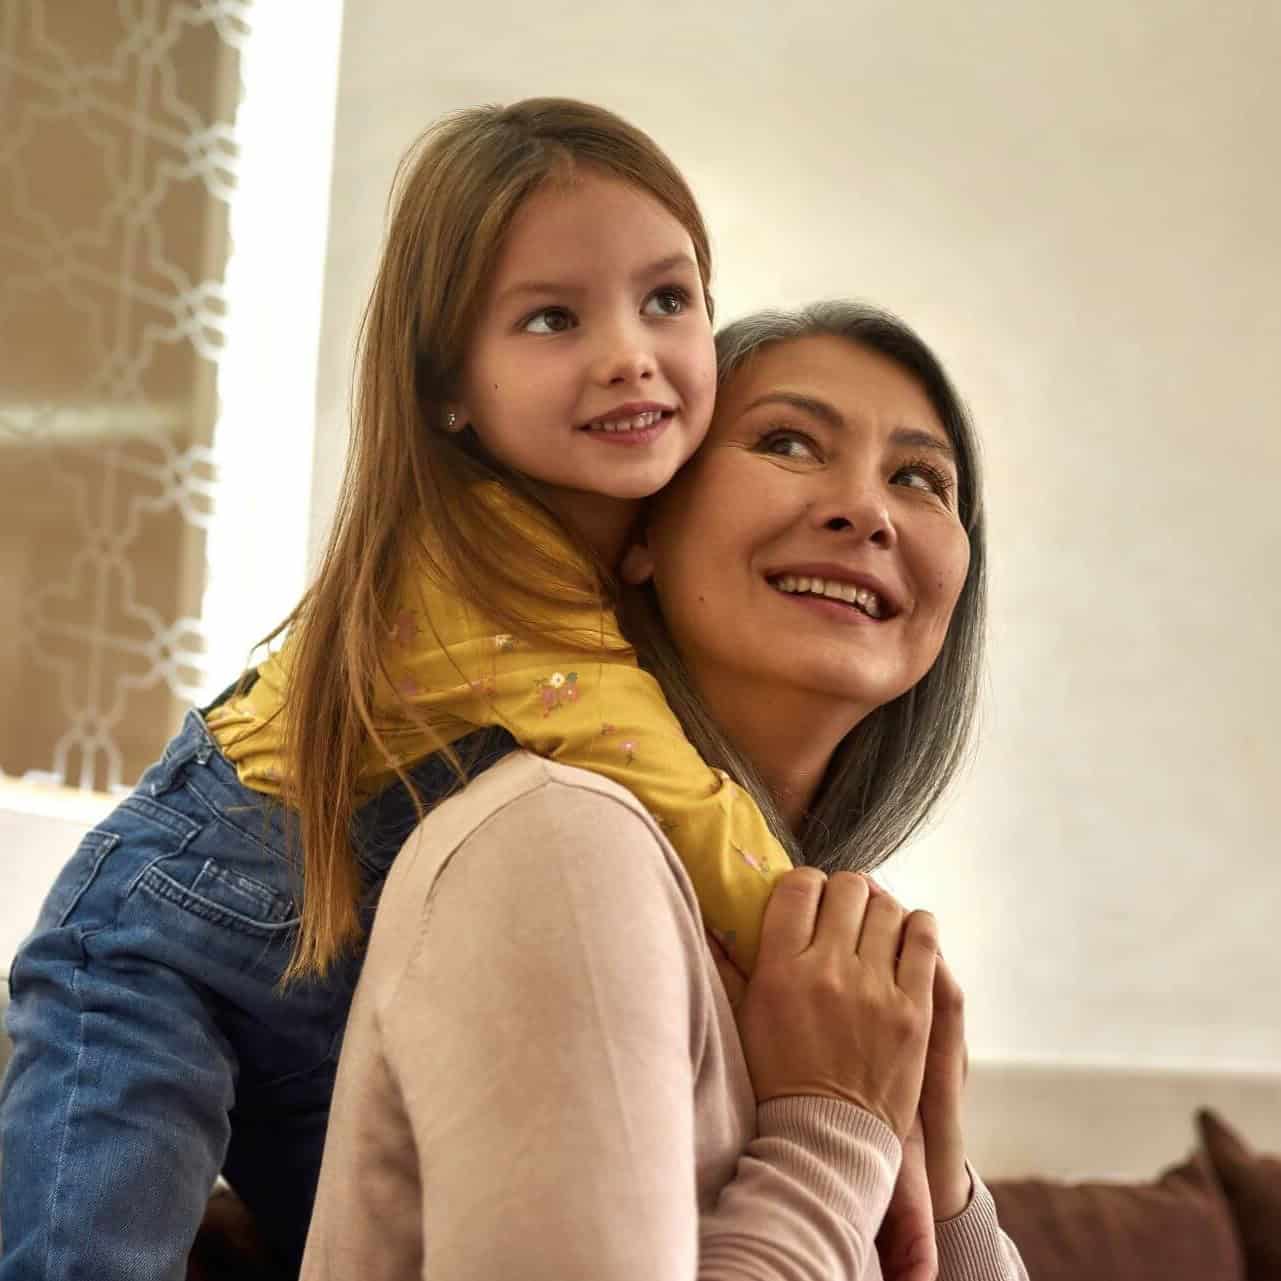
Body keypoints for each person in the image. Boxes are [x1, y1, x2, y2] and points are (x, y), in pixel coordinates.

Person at [2, 97, 839, 1279]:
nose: (629, 351)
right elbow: (673, 787)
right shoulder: (475, 571)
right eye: (553, 317)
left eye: (669, 298)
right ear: (450, 387)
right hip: (165, 936)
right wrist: (836, 958)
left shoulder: (620, 549)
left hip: (333, 982)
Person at [298, 302, 1026, 1279]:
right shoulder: (559, 845)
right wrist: (835, 1132)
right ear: (639, 527)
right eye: (787, 442)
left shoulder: (823, 979)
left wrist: (937, 1175)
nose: (868, 510)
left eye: (919, 478)